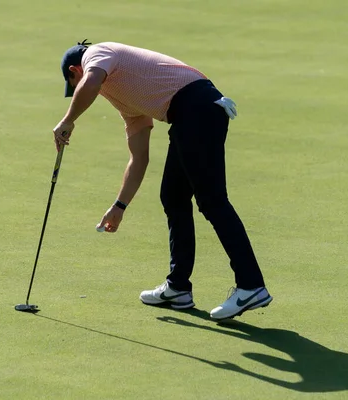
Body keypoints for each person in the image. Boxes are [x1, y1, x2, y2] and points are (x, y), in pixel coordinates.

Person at [53, 40, 272, 320]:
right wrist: (119, 206)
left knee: (212, 200)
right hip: (190, 116)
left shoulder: (98, 53)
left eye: (75, 84)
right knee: (173, 195)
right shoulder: (125, 97)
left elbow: (92, 80)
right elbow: (139, 158)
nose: (79, 91)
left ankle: (251, 285)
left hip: (198, 108)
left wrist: (69, 120)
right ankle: (178, 287)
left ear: (76, 69)